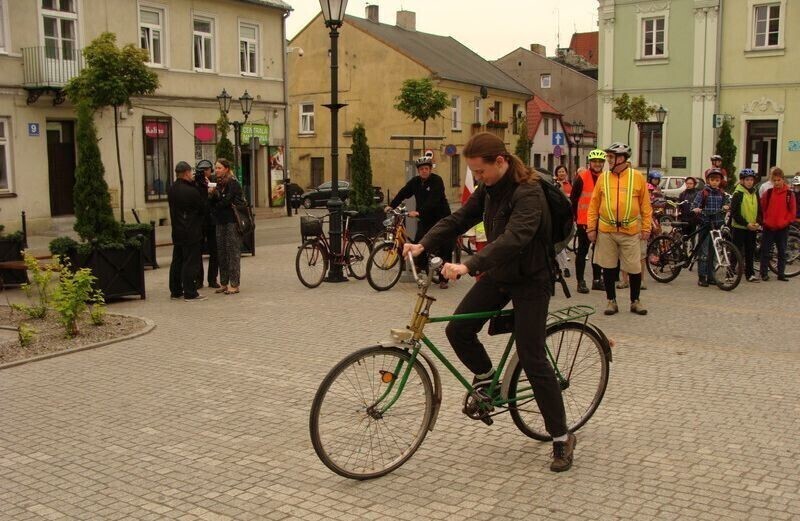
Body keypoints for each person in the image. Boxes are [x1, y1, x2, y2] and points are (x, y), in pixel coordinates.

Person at [404, 132, 576, 473]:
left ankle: (561, 437)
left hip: (531, 279)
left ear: (500, 162)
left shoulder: (528, 192)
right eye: (474, 174)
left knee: (532, 355)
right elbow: (458, 219)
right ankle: (489, 380)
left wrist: (468, 265)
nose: (477, 179)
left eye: (480, 172)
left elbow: (516, 238)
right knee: (458, 329)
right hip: (500, 274)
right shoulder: (490, 189)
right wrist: (422, 244)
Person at [586, 142, 652, 315]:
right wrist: (591, 228)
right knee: (608, 267)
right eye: (608, 156)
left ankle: (635, 301)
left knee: (634, 267)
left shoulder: (637, 177)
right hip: (606, 230)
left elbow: (646, 205)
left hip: (630, 231)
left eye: (611, 157)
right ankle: (611, 301)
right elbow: (594, 205)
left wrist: (646, 227)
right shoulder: (603, 178)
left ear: (622, 158)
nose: (608, 160)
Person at [386, 156, 452, 288]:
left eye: (426, 168)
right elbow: (403, 192)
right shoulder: (415, 182)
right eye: (421, 169)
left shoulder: (437, 181)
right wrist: (392, 205)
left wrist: (418, 212)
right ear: (418, 170)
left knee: (444, 246)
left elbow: (434, 200)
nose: (424, 171)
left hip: (441, 217)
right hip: (426, 219)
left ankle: (444, 278)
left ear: (430, 169)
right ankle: (421, 268)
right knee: (418, 242)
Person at [167, 161, 207, 301]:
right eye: (190, 172)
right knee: (190, 261)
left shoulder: (172, 188)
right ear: (186, 173)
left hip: (177, 230)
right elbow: (203, 208)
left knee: (177, 261)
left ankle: (176, 290)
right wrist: (203, 190)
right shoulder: (191, 191)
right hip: (191, 231)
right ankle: (190, 292)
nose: (192, 175)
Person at [570, 149, 606, 294]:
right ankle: (581, 281)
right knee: (582, 251)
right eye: (595, 161)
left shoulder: (605, 177)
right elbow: (573, 199)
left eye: (600, 161)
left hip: (602, 221)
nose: (597, 164)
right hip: (584, 221)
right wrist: (575, 218)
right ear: (590, 162)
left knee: (598, 252)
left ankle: (597, 280)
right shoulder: (582, 177)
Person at [210, 158, 244, 294]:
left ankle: (234, 284)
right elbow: (213, 203)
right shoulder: (218, 184)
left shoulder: (233, 183)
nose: (216, 170)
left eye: (219, 168)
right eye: (216, 168)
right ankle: (224, 282)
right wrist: (213, 196)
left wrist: (215, 199)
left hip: (232, 221)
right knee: (222, 252)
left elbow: (225, 201)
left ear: (226, 169)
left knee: (232, 252)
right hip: (220, 221)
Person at [691, 168, 729, 287]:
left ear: (720, 181)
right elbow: (695, 205)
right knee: (704, 252)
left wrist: (727, 206)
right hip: (705, 224)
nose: (714, 182)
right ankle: (702, 277)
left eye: (717, 180)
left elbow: (727, 202)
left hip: (716, 225)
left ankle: (711, 276)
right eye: (712, 180)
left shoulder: (722, 193)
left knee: (713, 252)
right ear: (708, 180)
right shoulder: (703, 193)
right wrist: (696, 209)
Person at [759, 167, 796, 281]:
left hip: (782, 228)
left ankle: (781, 274)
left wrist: (785, 222)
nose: (776, 183)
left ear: (783, 180)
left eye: (778, 180)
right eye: (774, 180)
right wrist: (765, 220)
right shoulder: (768, 193)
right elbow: (762, 208)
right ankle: (764, 273)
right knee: (765, 251)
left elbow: (792, 211)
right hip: (769, 227)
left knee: (781, 252)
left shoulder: (789, 194)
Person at [730, 169, 761, 283]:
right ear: (742, 181)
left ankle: (750, 274)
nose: (749, 182)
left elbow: (759, 209)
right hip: (739, 227)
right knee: (736, 251)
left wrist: (758, 222)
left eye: (751, 180)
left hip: (752, 227)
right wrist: (746, 224)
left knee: (750, 251)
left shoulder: (754, 192)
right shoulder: (738, 193)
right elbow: (735, 213)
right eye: (747, 180)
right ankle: (730, 272)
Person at [194, 159, 219, 289]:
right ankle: (199, 279)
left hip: (212, 220)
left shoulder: (214, 181)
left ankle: (212, 279)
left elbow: (219, 199)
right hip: (200, 221)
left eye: (207, 170)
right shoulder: (196, 184)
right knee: (198, 251)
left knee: (214, 251)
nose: (205, 172)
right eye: (202, 170)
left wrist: (213, 192)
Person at [553, 165, 572, 278]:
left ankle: (563, 267)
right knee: (558, 245)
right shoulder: (553, 184)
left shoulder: (569, 184)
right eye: (559, 171)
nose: (561, 173)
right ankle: (561, 268)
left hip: (567, 216)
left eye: (563, 171)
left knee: (561, 245)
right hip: (558, 217)